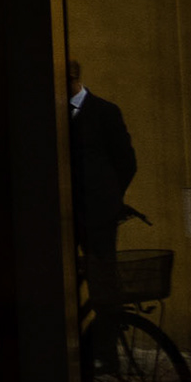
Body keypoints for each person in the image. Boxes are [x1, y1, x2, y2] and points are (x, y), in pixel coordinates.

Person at [68, 59, 137, 317]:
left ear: (74, 79)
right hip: (68, 213)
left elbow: (126, 162)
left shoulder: (104, 112)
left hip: (97, 214)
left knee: (104, 285)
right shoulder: (53, 114)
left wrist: (107, 197)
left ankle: (105, 349)